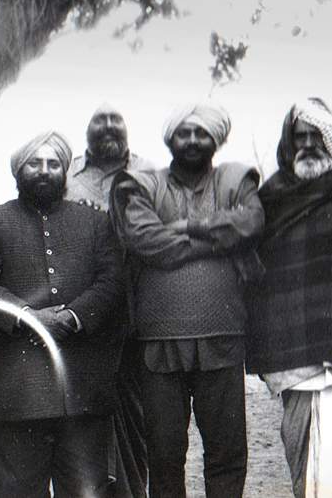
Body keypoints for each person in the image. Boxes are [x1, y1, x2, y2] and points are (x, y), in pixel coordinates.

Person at [110, 102, 264, 498]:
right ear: (170, 138)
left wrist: (187, 227)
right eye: (184, 133)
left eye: (201, 133)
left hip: (222, 335)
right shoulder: (143, 184)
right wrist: (216, 242)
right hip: (159, 341)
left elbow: (250, 222)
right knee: (164, 456)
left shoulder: (235, 178)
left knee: (227, 454)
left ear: (216, 138)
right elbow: (145, 239)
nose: (193, 140)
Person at [0, 130, 125, 497]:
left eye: (53, 164)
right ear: (19, 170)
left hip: (82, 388)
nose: (44, 171)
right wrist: (28, 316)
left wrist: (72, 317)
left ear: (64, 171)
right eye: (34, 163)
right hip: (17, 394)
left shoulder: (95, 223)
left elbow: (112, 282)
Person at [246, 98, 332, 498]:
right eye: (300, 137)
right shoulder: (272, 197)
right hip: (294, 355)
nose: (308, 144)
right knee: (302, 462)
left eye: (317, 136)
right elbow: (259, 275)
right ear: (288, 144)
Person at [66, 104, 151, 498]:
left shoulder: (148, 172)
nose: (108, 128)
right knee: (86, 418)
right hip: (84, 313)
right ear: (88, 132)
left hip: (135, 310)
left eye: (116, 121)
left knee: (134, 417)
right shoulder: (68, 176)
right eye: (100, 122)